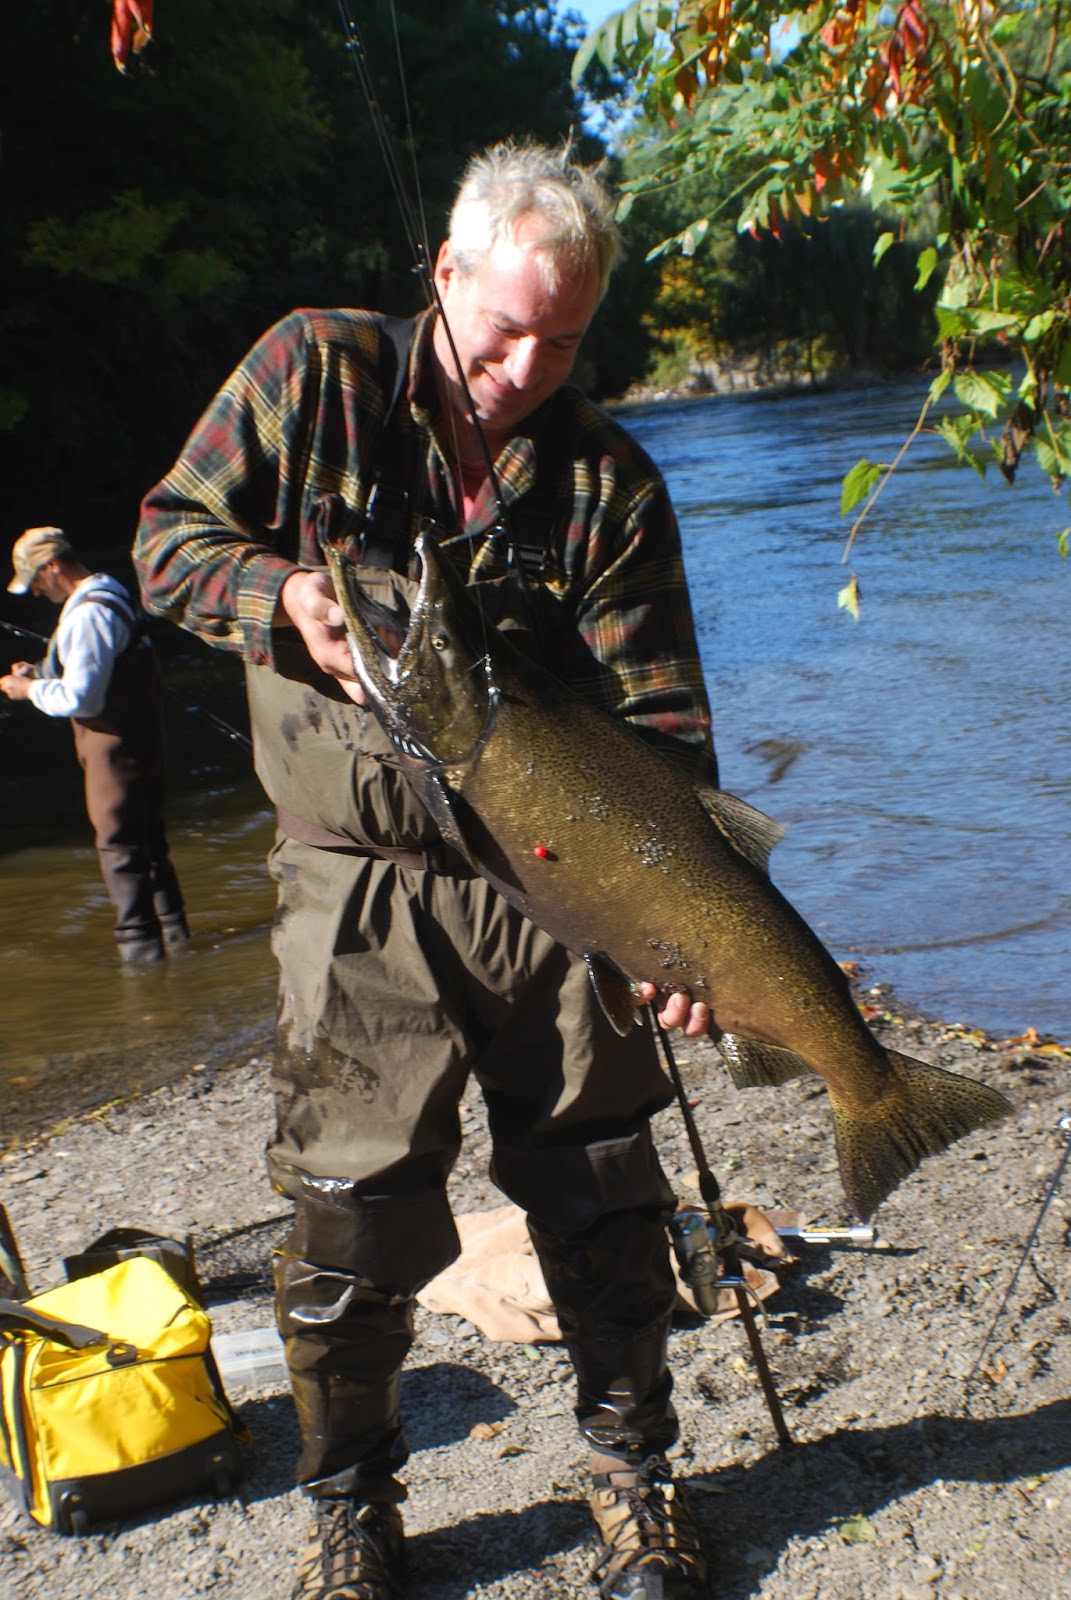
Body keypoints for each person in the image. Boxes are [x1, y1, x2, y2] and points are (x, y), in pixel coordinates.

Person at [134, 141, 717, 1600]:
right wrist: (280, 597)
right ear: (443, 274)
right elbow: (164, 543)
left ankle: (633, 1476)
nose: (525, 369)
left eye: (562, 342)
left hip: (556, 889)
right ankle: (351, 1506)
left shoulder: (610, 482)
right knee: (348, 1217)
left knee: (603, 1190)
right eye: (505, 328)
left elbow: (664, 732)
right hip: (351, 885)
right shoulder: (313, 370)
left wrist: (685, 935)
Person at [1, 526, 188, 965]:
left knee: (119, 847)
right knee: (150, 842)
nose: (35, 592)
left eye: (35, 580)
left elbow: (83, 699)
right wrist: (42, 671)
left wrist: (27, 690)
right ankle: (178, 939)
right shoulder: (110, 590)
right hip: (144, 741)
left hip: (114, 750)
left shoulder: (86, 616)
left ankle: (140, 959)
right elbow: (101, 666)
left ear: (52, 566)